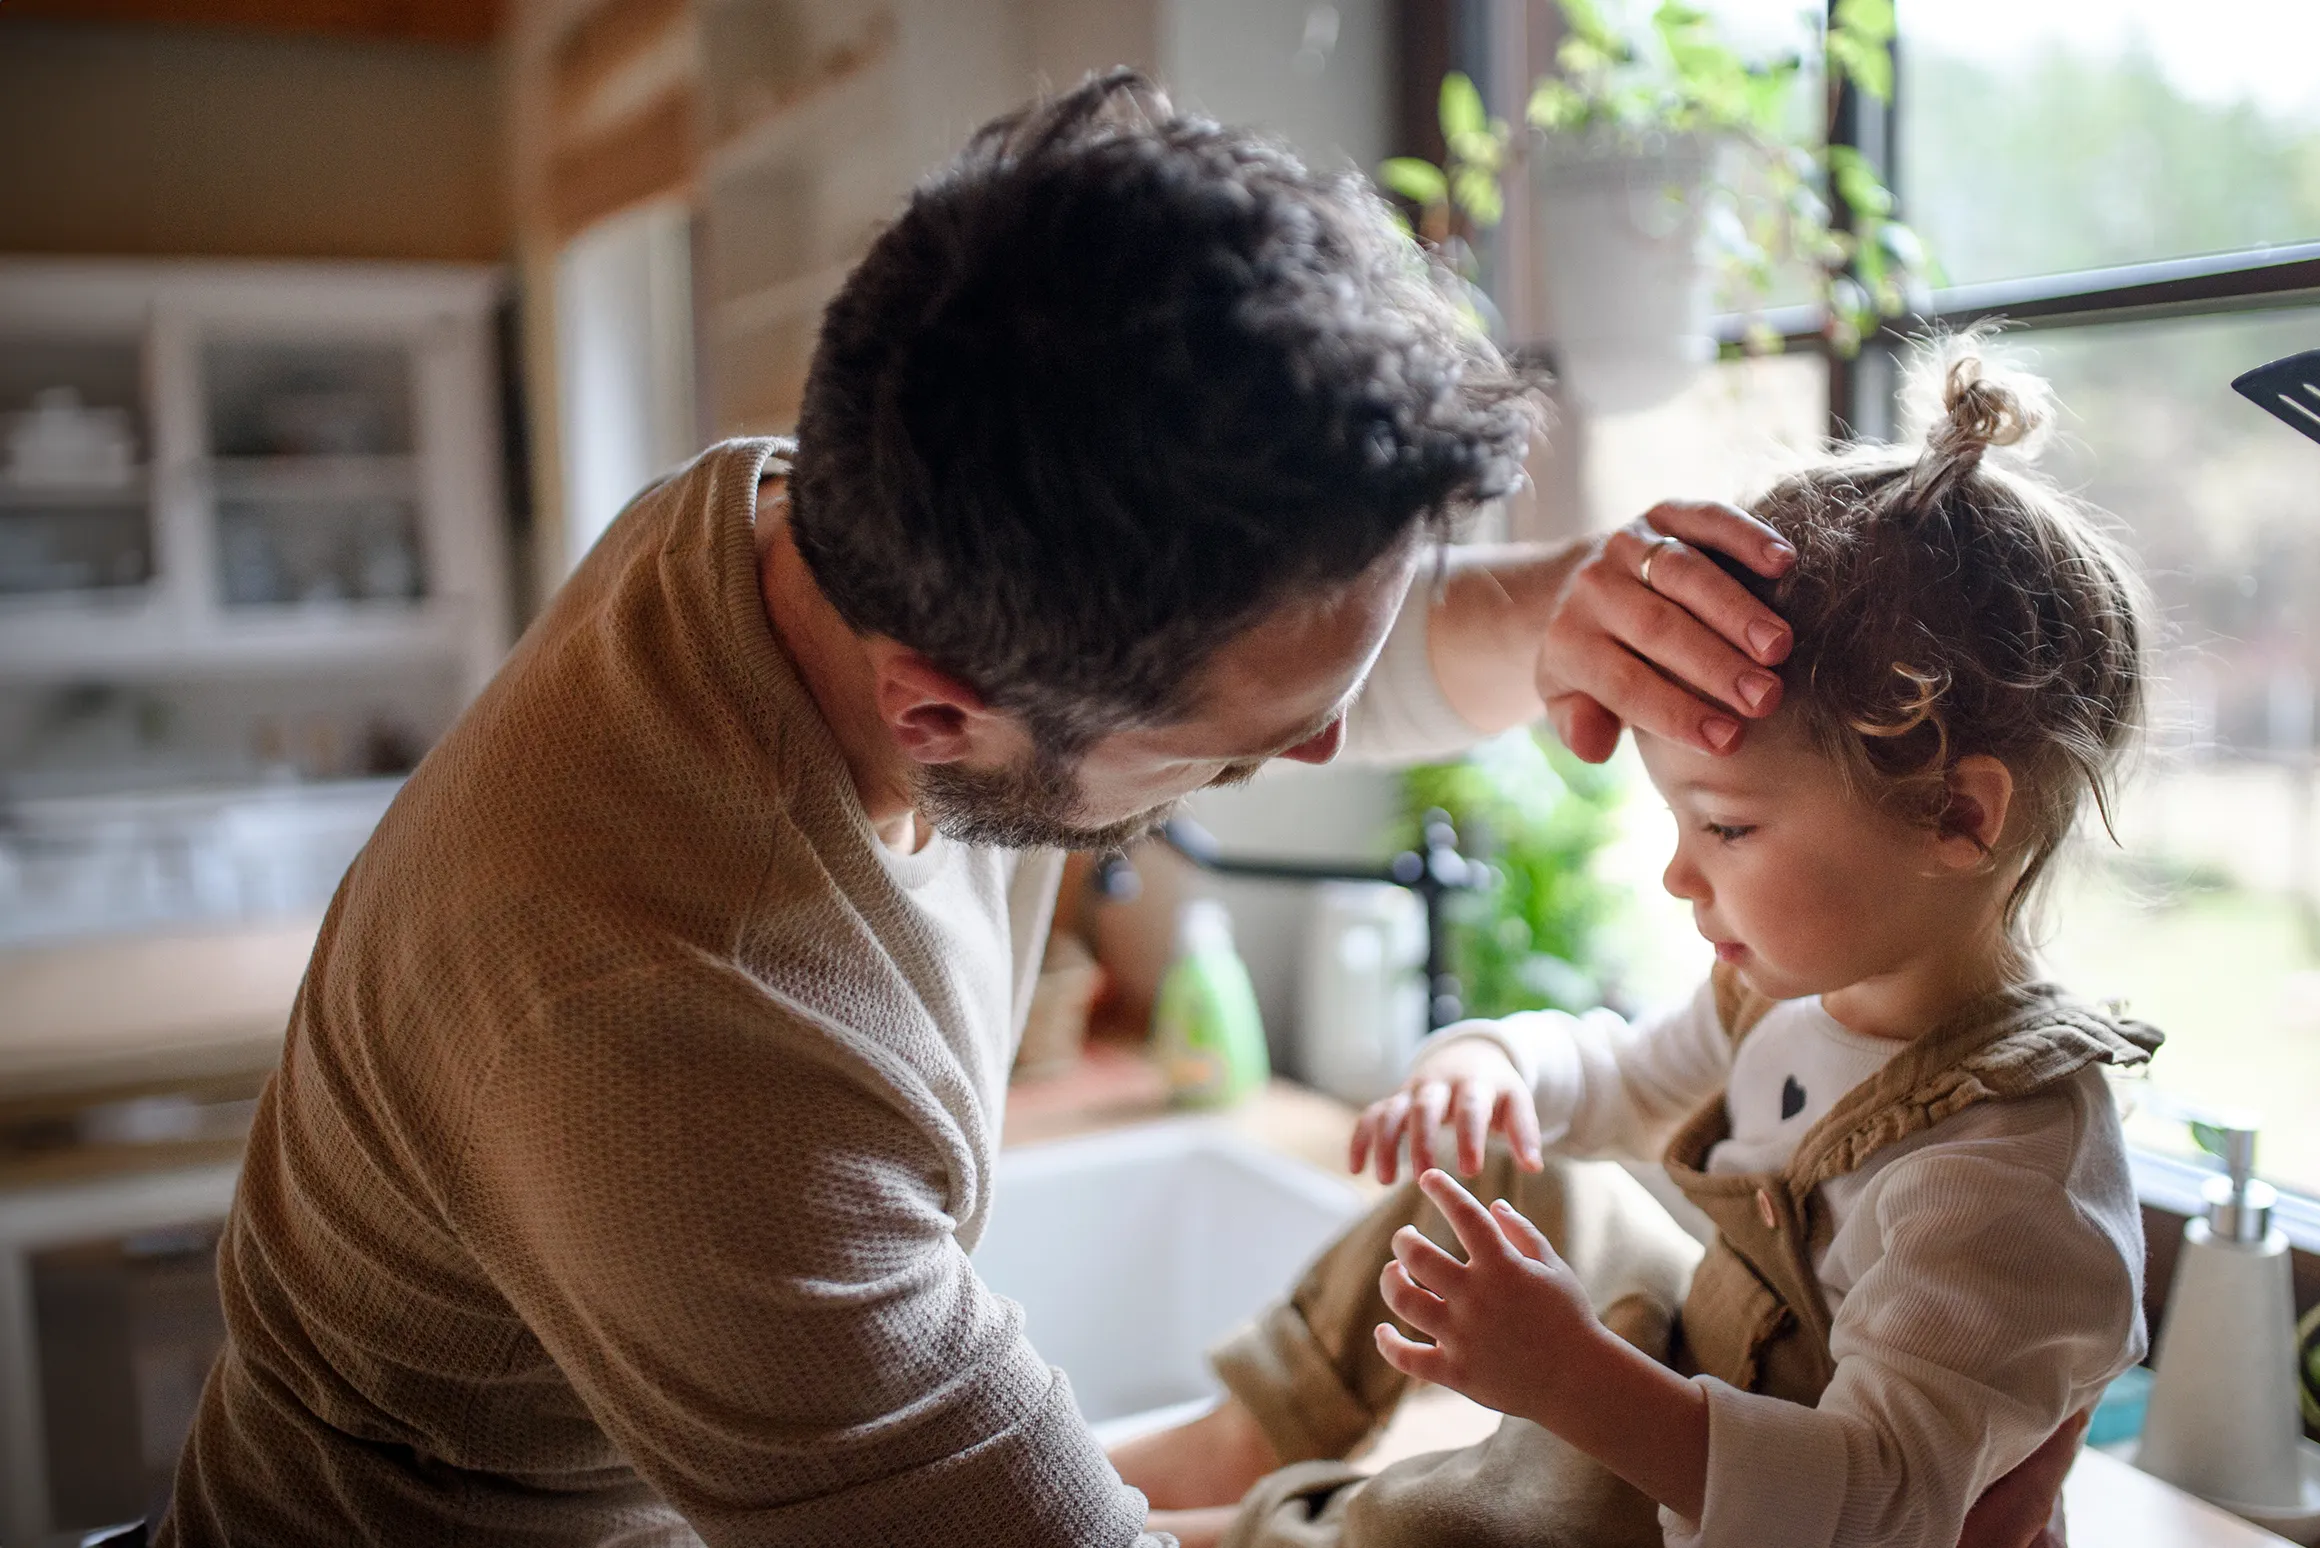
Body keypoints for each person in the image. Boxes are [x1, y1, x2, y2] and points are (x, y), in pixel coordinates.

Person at [155, 73, 1805, 1547]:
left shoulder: (836, 511)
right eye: (1230, 758)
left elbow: (1266, 657)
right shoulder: (691, 1031)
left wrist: (1569, 602)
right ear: (939, 706)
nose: (1300, 759)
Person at [1114, 347, 2159, 1548]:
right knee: (1513, 1169)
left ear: (1956, 817)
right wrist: (1500, 1064)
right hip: (1700, 1380)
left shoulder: (2004, 1184)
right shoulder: (1795, 998)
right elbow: (1619, 1082)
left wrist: (1568, 1380)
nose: (1678, 874)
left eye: (1725, 826)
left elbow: (1875, 1504)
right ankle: (1246, 1433)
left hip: (1739, 1517)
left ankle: (1241, 1533)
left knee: (1449, 1528)